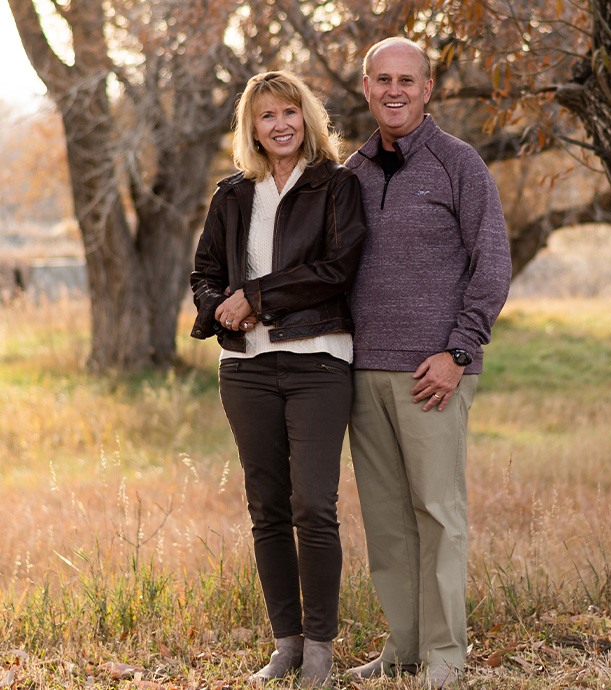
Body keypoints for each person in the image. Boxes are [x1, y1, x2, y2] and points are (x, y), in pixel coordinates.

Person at [344, 38, 512, 688]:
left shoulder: (459, 165)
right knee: (387, 521)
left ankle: (445, 657)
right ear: (365, 87)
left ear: (428, 88)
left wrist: (459, 350)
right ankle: (405, 649)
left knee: (438, 516)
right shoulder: (350, 171)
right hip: (363, 372)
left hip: (434, 375)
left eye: (406, 80)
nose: (394, 90)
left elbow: (491, 265)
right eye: (382, 79)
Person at [190, 70, 366, 687]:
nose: (281, 124)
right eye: (267, 115)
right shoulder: (233, 194)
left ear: (308, 117)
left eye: (290, 111)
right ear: (252, 127)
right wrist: (219, 307)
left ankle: (321, 647)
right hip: (245, 369)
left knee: (313, 506)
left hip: (319, 361)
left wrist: (256, 297)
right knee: (267, 508)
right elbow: (206, 272)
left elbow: (337, 268)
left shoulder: (336, 186)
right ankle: (286, 643)